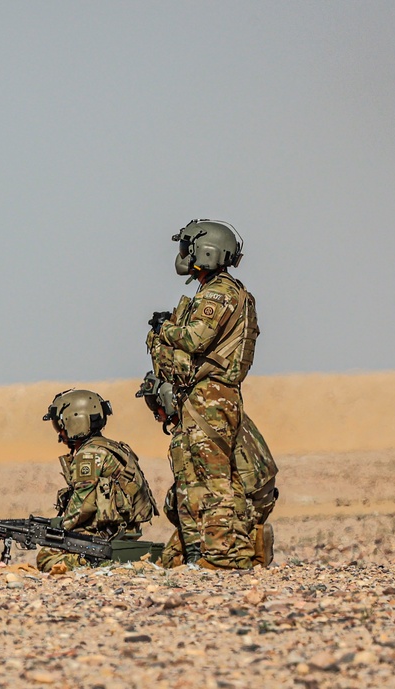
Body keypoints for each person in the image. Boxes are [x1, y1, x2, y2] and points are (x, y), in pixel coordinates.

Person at [145, 219, 264, 569]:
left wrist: (164, 328)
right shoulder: (221, 289)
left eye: (188, 247)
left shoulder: (218, 293)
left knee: (212, 482)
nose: (183, 255)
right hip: (205, 397)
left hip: (209, 398)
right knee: (193, 478)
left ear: (206, 251)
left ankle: (226, 556)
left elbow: (196, 339)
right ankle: (201, 553)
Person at [36, 389, 158, 573]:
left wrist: (56, 527)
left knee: (46, 557)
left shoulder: (89, 455)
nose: (60, 432)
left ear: (75, 421)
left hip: (105, 537)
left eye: (60, 425)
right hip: (120, 533)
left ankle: (99, 564)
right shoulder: (110, 447)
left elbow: (83, 506)